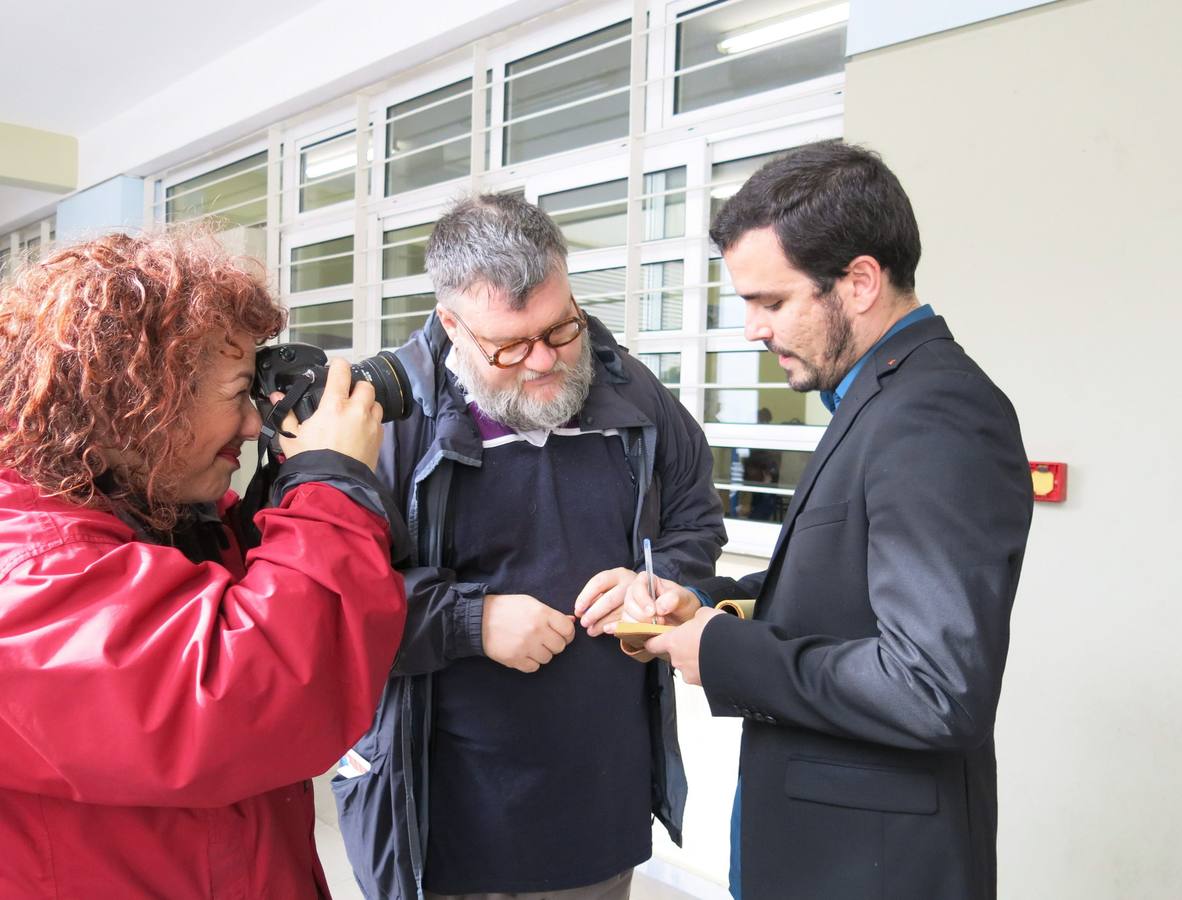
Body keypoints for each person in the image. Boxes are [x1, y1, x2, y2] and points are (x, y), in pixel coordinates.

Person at [620, 141, 1034, 899]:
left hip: (873, 867)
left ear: (861, 281)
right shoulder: (881, 397)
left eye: (771, 302)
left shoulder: (936, 414)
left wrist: (725, 653)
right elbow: (841, 592)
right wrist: (710, 604)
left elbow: (935, 689)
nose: (752, 329)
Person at [333, 194, 727, 900]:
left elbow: (695, 514)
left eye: (560, 328)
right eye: (511, 346)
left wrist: (662, 578)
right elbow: (332, 599)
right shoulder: (381, 422)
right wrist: (470, 622)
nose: (546, 362)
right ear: (453, 324)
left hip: (599, 801)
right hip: (447, 814)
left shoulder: (630, 392)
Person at [0, 230, 409, 899]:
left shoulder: (141, 509)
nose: (254, 425)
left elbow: (230, 603)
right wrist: (330, 488)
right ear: (137, 399)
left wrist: (272, 502)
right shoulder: (26, 568)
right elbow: (257, 698)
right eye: (240, 392)